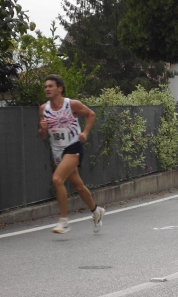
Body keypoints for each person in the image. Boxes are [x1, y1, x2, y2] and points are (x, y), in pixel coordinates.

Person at [38, 74, 105, 234]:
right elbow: (43, 136)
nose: (47, 88)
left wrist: (85, 132)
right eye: (46, 86)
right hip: (57, 150)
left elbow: (91, 115)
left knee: (57, 179)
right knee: (78, 186)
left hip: (73, 146)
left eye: (51, 86)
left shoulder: (71, 104)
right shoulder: (43, 109)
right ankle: (96, 211)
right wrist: (43, 128)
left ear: (60, 88)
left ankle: (64, 220)